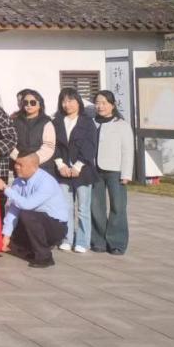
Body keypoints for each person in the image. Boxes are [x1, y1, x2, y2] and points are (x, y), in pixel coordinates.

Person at [0, 151, 70, 268]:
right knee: (9, 241)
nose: (16, 167)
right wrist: (6, 236)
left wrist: (5, 188)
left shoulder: (46, 181)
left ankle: (45, 257)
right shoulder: (18, 182)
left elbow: (27, 205)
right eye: (16, 163)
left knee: (26, 214)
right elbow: (13, 208)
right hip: (36, 221)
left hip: (55, 226)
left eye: (21, 165)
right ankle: (31, 249)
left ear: (34, 167)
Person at [52, 88, 97, 253]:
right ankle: (67, 238)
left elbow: (90, 146)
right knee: (66, 207)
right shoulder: (56, 122)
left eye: (70, 100)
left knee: (83, 209)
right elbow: (54, 145)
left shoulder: (87, 122)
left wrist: (78, 166)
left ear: (78, 102)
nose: (67, 104)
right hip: (62, 171)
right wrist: (60, 165)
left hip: (83, 170)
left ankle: (82, 241)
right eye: (64, 101)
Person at [92, 90, 134, 255]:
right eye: (97, 103)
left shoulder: (122, 125)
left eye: (104, 103)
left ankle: (117, 242)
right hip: (95, 170)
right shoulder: (92, 123)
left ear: (113, 105)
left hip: (115, 171)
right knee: (96, 207)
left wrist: (126, 174)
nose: (100, 106)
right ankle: (99, 241)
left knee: (118, 206)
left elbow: (127, 150)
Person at [12, 89, 57, 173]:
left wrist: (33, 160)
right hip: (21, 165)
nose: (29, 105)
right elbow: (11, 143)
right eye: (26, 102)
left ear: (40, 105)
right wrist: (20, 159)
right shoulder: (15, 122)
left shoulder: (46, 122)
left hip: (42, 167)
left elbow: (49, 146)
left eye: (32, 102)